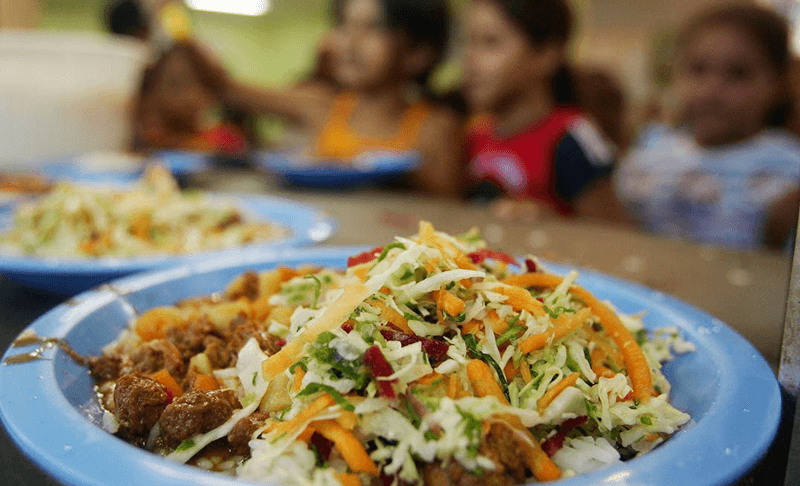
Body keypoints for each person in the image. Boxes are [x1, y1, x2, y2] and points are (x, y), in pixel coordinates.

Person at [194, 0, 464, 197]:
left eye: (373, 27)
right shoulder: (320, 105)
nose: (351, 41)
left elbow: (447, 212)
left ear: (419, 52)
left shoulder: (437, 127)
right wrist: (177, 29)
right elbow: (227, 90)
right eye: (344, 25)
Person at [616, 5, 800, 251]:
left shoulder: (787, 168)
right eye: (698, 69)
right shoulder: (651, 148)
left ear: (778, 83)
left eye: (738, 74)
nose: (712, 88)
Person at [462, 0, 626, 222]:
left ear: (546, 55)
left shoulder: (572, 138)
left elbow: (613, 236)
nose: (470, 61)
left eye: (490, 43)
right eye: (468, 42)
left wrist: (552, 224)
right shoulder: (476, 135)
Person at [133, 44, 249, 155]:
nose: (185, 96)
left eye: (202, 84)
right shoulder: (145, 136)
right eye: (174, 85)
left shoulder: (225, 139)